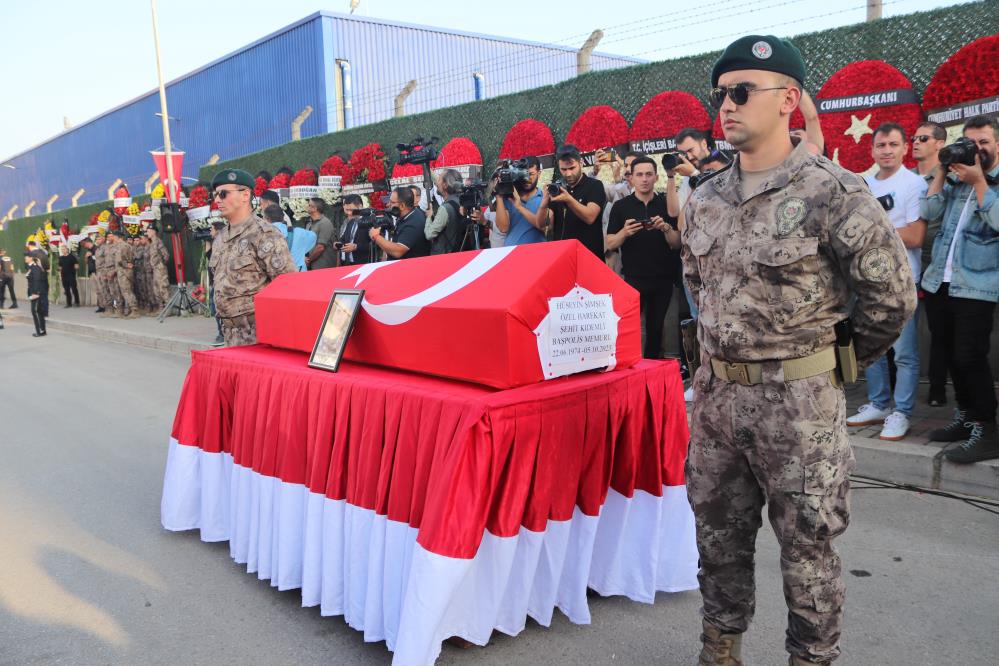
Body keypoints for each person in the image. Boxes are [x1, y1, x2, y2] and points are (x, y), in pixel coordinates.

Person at [682, 35, 915, 665]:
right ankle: (720, 650)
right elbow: (701, 288)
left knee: (809, 549)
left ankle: (810, 659)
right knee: (717, 540)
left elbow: (891, 298)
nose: (725, 106)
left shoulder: (832, 192)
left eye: (741, 92)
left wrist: (830, 369)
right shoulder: (702, 199)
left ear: (789, 100)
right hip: (717, 401)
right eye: (720, 94)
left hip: (800, 405)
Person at [920, 115, 999, 463]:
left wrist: (980, 180)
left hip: (977, 286)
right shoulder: (956, 180)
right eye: (970, 142)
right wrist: (941, 169)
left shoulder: (988, 182)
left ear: (996, 144)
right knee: (951, 355)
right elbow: (929, 210)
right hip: (941, 281)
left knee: (970, 357)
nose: (976, 149)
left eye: (983, 142)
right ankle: (966, 418)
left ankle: (988, 430)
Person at [847, 123, 927, 441]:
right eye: (881, 145)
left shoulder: (914, 184)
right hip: (866, 282)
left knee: (904, 353)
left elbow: (916, 235)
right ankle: (879, 404)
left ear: (905, 147)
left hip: (902, 281)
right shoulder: (863, 185)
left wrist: (874, 233)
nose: (887, 150)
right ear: (873, 150)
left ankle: (902, 411)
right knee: (873, 351)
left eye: (893, 144)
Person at [209, 168, 295, 346]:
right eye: (215, 195)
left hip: (259, 335)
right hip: (229, 334)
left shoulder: (264, 234)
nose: (217, 200)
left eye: (223, 194)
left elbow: (288, 286)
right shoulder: (220, 238)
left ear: (245, 194)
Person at [606, 156, 680, 359]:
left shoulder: (667, 203)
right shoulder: (621, 207)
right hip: (633, 279)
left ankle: (653, 373)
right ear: (631, 178)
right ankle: (633, 370)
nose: (644, 179)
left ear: (656, 177)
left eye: (649, 174)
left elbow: (677, 243)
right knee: (631, 332)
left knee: (657, 332)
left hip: (663, 279)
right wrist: (625, 232)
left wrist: (665, 228)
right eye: (639, 174)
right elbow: (610, 243)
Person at [910, 121, 950, 405]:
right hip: (908, 261)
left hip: (938, 262)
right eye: (913, 138)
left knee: (940, 328)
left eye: (923, 138)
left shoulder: (950, 177)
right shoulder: (905, 178)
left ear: (940, 143)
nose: (916, 142)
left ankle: (937, 387)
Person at [536, 144, 607, 260]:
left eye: (572, 168)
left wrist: (568, 199)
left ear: (581, 163)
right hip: (563, 258)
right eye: (563, 169)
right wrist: (544, 203)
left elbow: (590, 216)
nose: (568, 174)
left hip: (590, 258)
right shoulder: (557, 189)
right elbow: (542, 225)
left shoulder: (594, 185)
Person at [494, 156, 546, 247]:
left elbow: (546, 227)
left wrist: (519, 207)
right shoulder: (510, 197)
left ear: (539, 173)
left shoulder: (544, 197)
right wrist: (499, 194)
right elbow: (503, 228)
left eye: (531, 174)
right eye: (523, 174)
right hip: (511, 253)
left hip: (537, 254)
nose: (527, 178)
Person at [369, 186, 430, 259]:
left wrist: (376, 237)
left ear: (402, 206)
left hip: (413, 268)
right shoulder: (404, 216)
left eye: (392, 202)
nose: (388, 205)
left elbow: (398, 251)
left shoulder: (414, 221)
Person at [425, 169, 467, 254]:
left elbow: (429, 234)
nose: (436, 183)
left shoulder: (445, 208)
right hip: (460, 252)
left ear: (445, 185)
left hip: (444, 256)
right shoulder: (462, 201)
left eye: (439, 180)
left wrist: (429, 217)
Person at [106, 232, 140, 318]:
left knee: (127, 291)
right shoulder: (127, 245)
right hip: (125, 271)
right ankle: (130, 310)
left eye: (113, 237)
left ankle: (134, 310)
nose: (113, 239)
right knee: (127, 291)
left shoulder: (122, 246)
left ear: (117, 237)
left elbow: (120, 260)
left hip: (124, 272)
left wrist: (125, 265)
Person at [336, 195, 372, 265]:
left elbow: (376, 246)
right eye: (346, 210)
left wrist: (356, 247)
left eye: (351, 210)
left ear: (360, 206)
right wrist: (338, 244)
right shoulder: (351, 221)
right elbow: (344, 239)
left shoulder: (369, 221)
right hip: (345, 263)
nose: (349, 213)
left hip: (362, 265)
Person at [304, 198, 337, 270]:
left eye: (309, 205)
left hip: (323, 266)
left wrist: (309, 260)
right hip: (311, 265)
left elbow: (320, 247)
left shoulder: (325, 223)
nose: (307, 207)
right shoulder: (309, 223)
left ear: (314, 208)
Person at [146, 226, 171, 311]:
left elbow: (166, 255)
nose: (147, 233)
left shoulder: (158, 241)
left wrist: (161, 264)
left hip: (160, 269)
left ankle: (168, 308)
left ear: (154, 232)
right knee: (156, 289)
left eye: (149, 231)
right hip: (155, 269)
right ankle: (161, 308)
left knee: (163, 287)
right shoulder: (152, 243)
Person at [25, 253, 47, 337]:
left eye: (26, 257)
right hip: (33, 291)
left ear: (31, 258)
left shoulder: (34, 267)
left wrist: (36, 293)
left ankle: (40, 331)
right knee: (38, 311)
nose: (25, 258)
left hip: (36, 292)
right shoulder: (30, 267)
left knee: (35, 311)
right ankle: (42, 330)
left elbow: (37, 280)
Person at [94, 234, 114, 316]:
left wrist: (106, 272)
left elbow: (107, 261)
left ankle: (110, 308)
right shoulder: (97, 249)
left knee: (106, 290)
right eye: (97, 239)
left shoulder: (106, 248)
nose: (98, 240)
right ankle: (106, 307)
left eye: (99, 239)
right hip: (98, 271)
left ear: (103, 239)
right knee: (102, 290)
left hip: (104, 271)